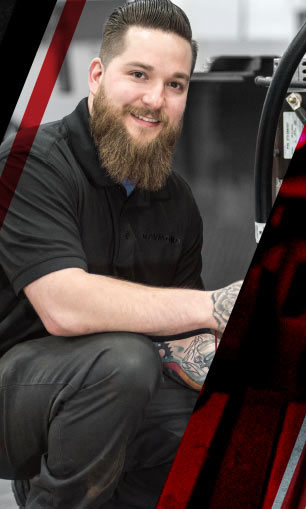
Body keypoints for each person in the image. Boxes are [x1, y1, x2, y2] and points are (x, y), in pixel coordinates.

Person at [0, 2, 240, 507]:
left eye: (176, 84)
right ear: (97, 74)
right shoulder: (29, 164)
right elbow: (63, 306)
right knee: (124, 363)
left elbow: (180, 340)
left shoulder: (176, 201)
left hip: (113, 399)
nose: (156, 99)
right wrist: (214, 307)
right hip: (14, 402)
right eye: (139, 74)